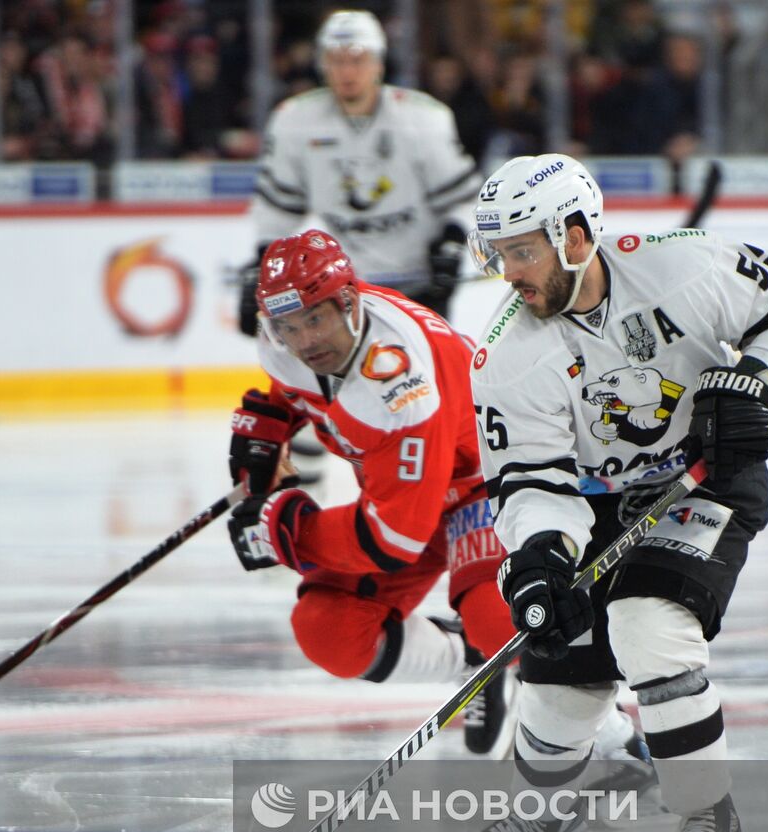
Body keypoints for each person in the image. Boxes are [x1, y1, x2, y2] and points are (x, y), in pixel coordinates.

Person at [461, 154, 768, 832]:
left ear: (575, 235)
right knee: (561, 648)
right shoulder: (506, 356)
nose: (510, 273)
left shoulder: (683, 266)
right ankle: (548, 800)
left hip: (707, 478)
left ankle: (708, 820)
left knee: (647, 621)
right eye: (499, 253)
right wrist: (540, 558)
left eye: (523, 250)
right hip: (596, 503)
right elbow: (533, 483)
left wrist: (754, 381)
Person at [226, 229, 651, 774]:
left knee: (503, 618)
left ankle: (610, 736)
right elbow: (292, 393)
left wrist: (289, 530)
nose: (304, 341)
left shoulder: (402, 387)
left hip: (483, 479)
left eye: (315, 320)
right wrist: (265, 426)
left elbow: (393, 541)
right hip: (408, 492)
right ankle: (473, 664)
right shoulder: (289, 341)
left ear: (350, 302)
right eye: (288, 326)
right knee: (328, 631)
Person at [240, 10, 479, 330]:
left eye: (358, 59)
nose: (347, 71)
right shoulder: (294, 122)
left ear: (379, 63)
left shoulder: (422, 119)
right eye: (336, 60)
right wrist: (264, 264)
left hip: (421, 285)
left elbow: (465, 199)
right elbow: (277, 210)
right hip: (345, 289)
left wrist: (450, 244)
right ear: (322, 65)